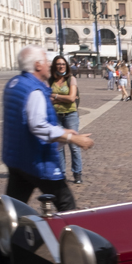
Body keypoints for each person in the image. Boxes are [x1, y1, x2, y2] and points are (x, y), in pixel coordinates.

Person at [2, 45, 94, 212]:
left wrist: (65, 132)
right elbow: (38, 125)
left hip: (17, 159)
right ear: (38, 65)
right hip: (39, 161)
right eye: (46, 61)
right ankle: (67, 237)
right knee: (67, 206)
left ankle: (12, 237)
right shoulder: (34, 90)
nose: (48, 64)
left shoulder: (14, 84)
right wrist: (73, 139)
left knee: (13, 210)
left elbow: (25, 122)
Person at [48, 55, 83, 185]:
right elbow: (46, 97)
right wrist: (63, 97)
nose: (61, 66)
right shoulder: (50, 80)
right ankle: (61, 173)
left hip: (70, 115)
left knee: (74, 145)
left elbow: (72, 98)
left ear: (66, 66)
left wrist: (55, 96)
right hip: (55, 115)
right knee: (59, 147)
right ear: (54, 66)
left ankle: (77, 172)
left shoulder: (71, 79)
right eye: (58, 64)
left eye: (63, 64)